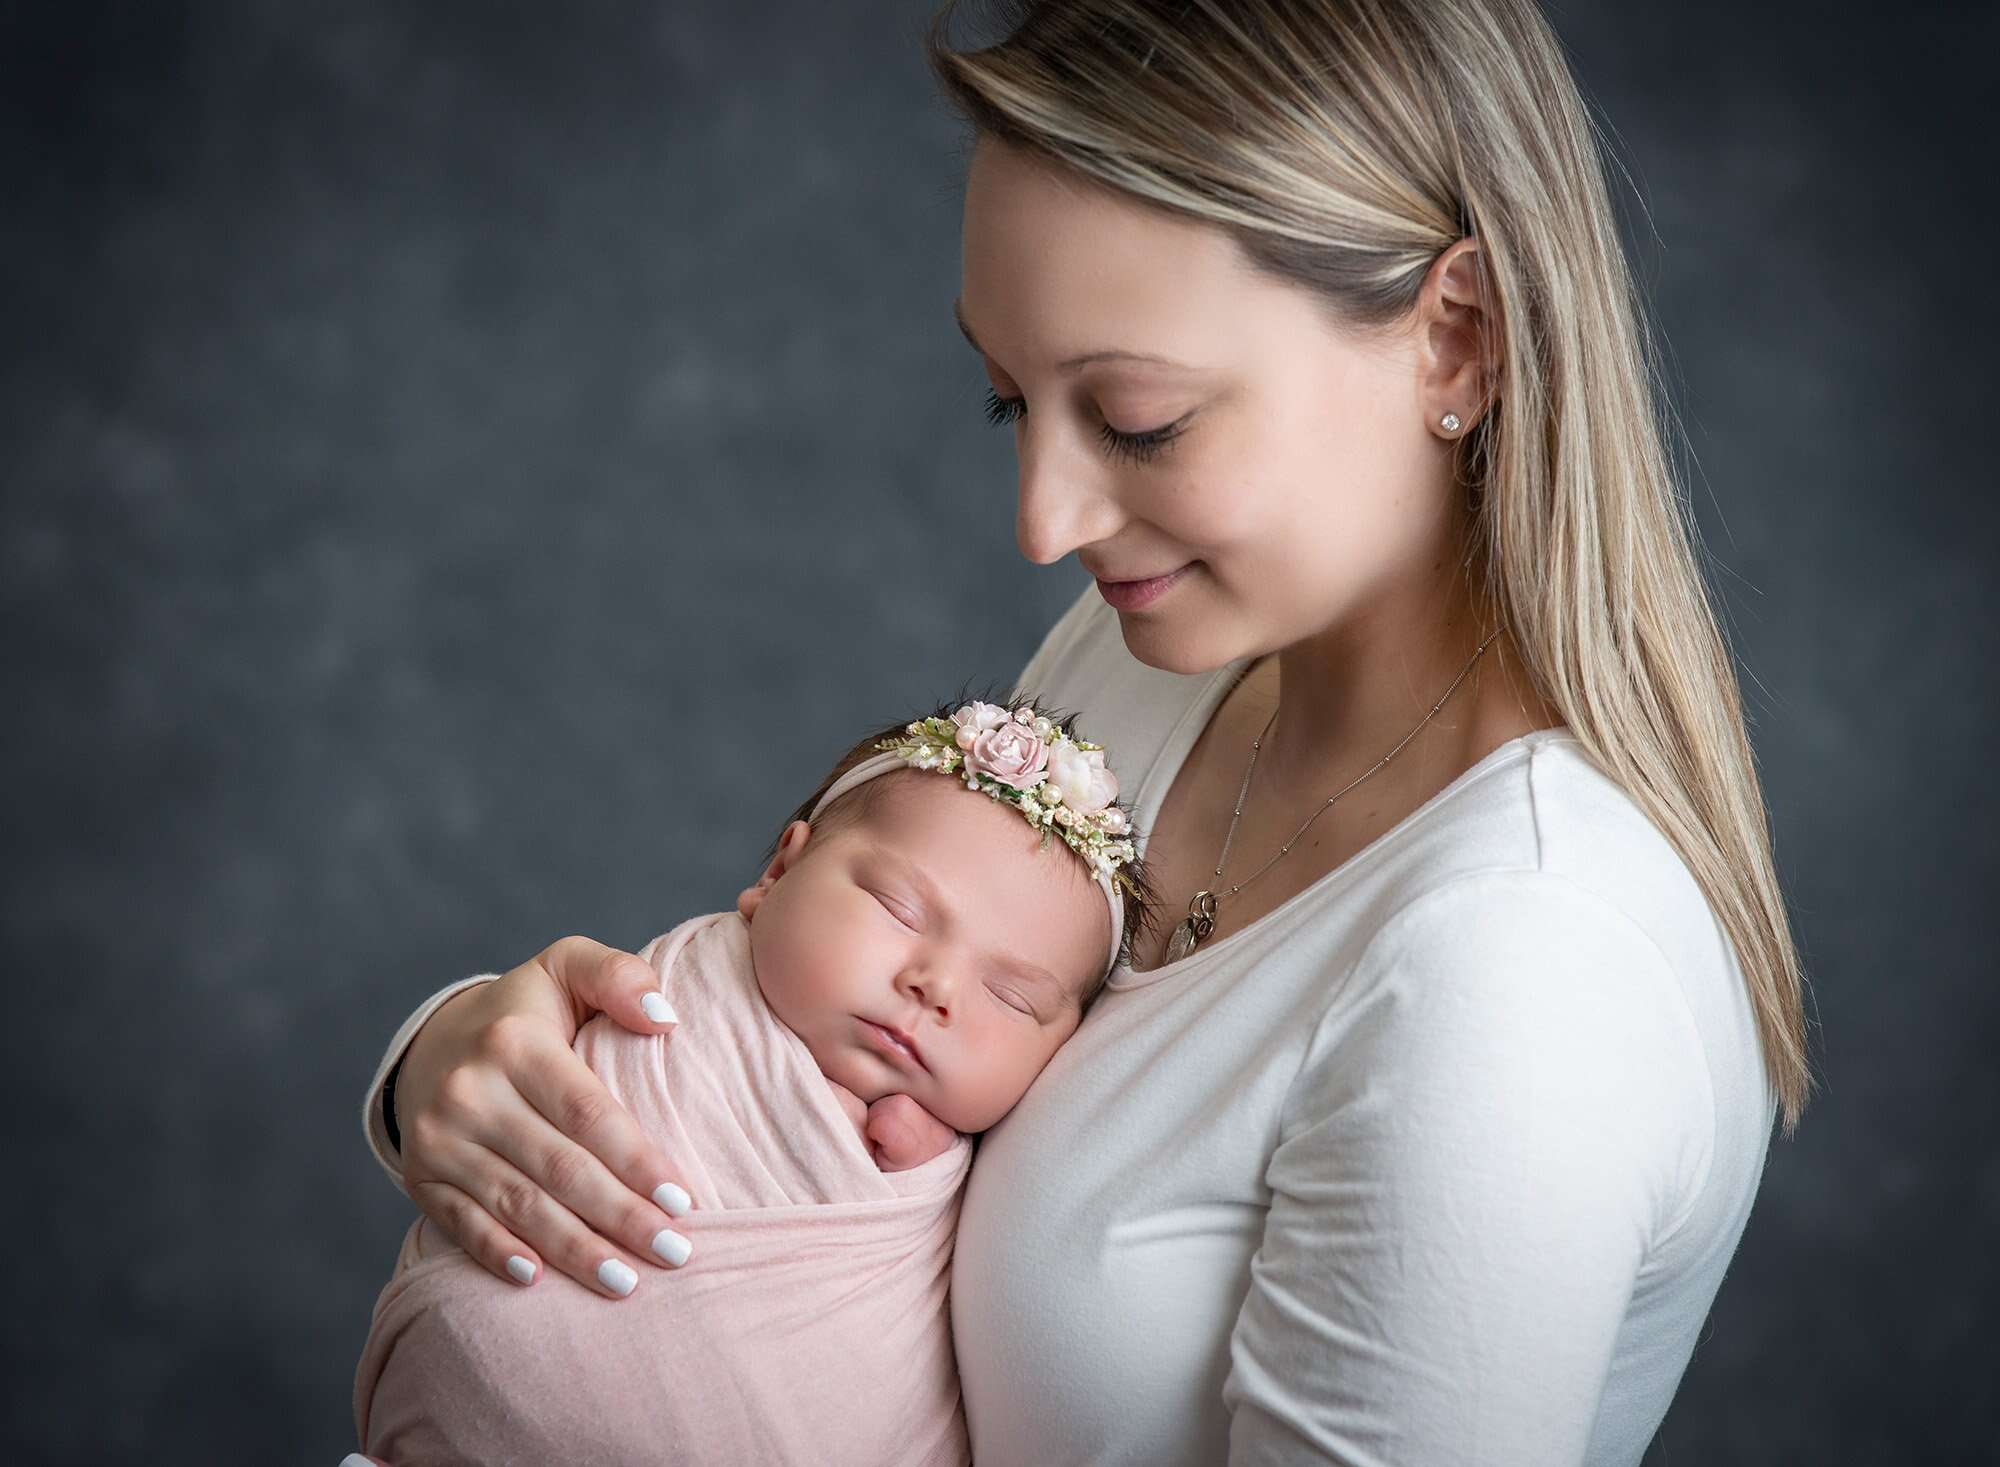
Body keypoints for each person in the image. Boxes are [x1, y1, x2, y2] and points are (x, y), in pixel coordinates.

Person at [354, 1, 1812, 1461]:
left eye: (1138, 419)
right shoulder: (1156, 674)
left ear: (1457, 340)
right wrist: (467, 1072)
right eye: (1010, 403)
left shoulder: (1525, 975)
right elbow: (834, 1101)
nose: (1044, 523)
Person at [351, 699, 1154, 1465]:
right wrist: (441, 1038)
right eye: (898, 908)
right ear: (779, 869)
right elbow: (486, 1086)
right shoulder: (659, 994)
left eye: (1010, 996)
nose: (934, 984)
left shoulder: (954, 1182)